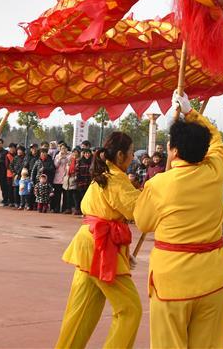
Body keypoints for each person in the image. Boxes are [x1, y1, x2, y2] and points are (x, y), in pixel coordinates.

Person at [133, 93, 223, 349]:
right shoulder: (215, 171)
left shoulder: (158, 184)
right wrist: (191, 112)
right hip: (212, 277)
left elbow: (143, 223)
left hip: (172, 280)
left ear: (173, 150)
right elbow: (217, 139)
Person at [56, 132, 142, 348]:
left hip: (89, 242)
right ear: (121, 155)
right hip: (100, 246)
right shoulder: (116, 179)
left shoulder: (105, 176)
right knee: (130, 309)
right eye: (131, 153)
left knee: (81, 310)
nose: (133, 157)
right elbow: (139, 211)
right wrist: (156, 191)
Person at [53, 142, 71, 212]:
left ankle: (64, 208)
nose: (63, 150)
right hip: (58, 177)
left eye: (64, 148)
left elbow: (70, 163)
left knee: (65, 195)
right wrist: (60, 158)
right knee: (57, 194)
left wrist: (65, 158)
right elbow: (55, 165)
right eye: (62, 148)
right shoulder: (57, 155)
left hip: (66, 177)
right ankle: (56, 208)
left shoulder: (70, 155)